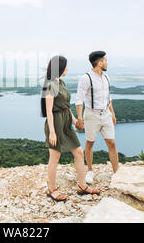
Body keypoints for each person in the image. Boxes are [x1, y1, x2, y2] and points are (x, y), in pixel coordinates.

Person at [41, 55, 100, 202]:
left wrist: (74, 120)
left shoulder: (61, 82)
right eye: (65, 66)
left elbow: (66, 107)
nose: (67, 69)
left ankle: (82, 186)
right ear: (60, 68)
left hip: (66, 122)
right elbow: (49, 111)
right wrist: (52, 132)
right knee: (55, 157)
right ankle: (51, 189)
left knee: (79, 152)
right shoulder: (50, 84)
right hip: (55, 123)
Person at [74, 51, 119, 185]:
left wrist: (113, 114)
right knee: (90, 143)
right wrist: (80, 118)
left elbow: (108, 98)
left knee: (111, 143)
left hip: (106, 114)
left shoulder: (106, 78)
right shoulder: (86, 78)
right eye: (105, 60)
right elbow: (78, 100)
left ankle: (116, 172)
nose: (106, 63)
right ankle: (90, 171)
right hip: (91, 114)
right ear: (99, 63)